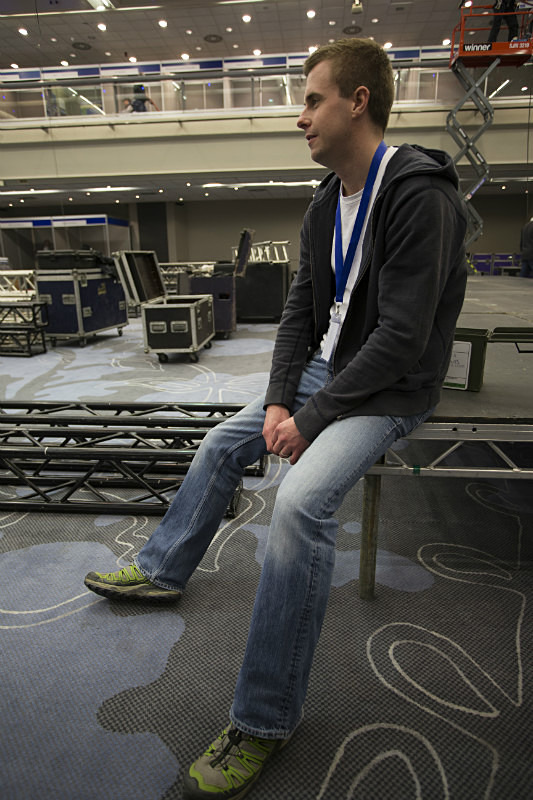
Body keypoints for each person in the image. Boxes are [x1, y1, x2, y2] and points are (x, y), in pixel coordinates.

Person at [84, 38, 467, 799]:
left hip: (392, 388)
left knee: (298, 505)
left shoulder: (419, 197)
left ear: (358, 101)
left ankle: (262, 720)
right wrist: (282, 400)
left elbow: (401, 338)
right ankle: (161, 569)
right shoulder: (327, 201)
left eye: (313, 100)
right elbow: (298, 316)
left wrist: (313, 416)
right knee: (219, 441)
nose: (300, 117)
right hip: (331, 373)